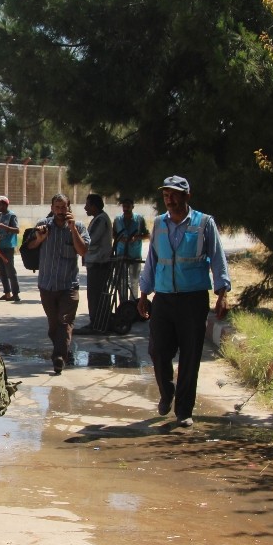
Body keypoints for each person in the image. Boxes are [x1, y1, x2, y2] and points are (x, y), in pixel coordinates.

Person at [137, 175, 231, 428]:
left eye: (175, 194)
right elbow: (152, 260)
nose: (170, 199)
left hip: (193, 299)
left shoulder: (204, 223)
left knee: (190, 356)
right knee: (157, 350)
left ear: (187, 196)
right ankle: (167, 392)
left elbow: (218, 258)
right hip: (164, 298)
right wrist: (144, 293)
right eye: (166, 195)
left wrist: (222, 294)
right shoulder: (159, 224)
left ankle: (184, 410)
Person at [23, 194, 89, 375]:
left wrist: (73, 228)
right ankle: (60, 348)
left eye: (64, 207)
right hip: (47, 285)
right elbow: (29, 247)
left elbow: (83, 251)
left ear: (69, 208)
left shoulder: (79, 227)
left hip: (69, 285)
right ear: (52, 208)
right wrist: (39, 238)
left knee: (65, 321)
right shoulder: (43, 225)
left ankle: (59, 356)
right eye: (57, 208)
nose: (60, 211)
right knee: (54, 325)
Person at [78, 193, 112, 333]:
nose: (85, 208)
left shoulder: (101, 220)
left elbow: (91, 240)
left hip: (99, 263)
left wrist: (77, 243)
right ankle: (100, 323)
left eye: (87, 205)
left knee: (96, 295)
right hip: (96, 263)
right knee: (96, 294)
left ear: (94, 206)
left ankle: (97, 324)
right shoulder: (98, 219)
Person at [112, 198, 149, 302]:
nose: (126, 209)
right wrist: (120, 239)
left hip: (135, 255)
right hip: (121, 254)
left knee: (134, 281)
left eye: (128, 206)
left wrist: (136, 238)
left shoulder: (139, 219)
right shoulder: (117, 220)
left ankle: (133, 304)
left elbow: (147, 235)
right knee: (122, 281)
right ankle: (123, 305)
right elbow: (113, 234)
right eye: (124, 206)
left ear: (133, 206)